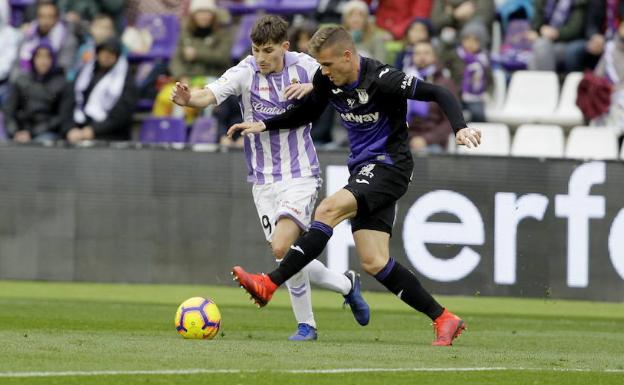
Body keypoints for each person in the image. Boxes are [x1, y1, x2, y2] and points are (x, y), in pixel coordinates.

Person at [228, 25, 481, 346]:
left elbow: (439, 93)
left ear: (347, 56)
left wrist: (460, 128)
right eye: (320, 65)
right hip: (364, 169)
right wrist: (264, 123)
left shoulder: (383, 78)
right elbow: (306, 112)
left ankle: (269, 284)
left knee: (327, 209)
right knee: (374, 261)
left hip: (391, 166)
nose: (323, 71)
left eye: (328, 65)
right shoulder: (326, 79)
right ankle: (445, 319)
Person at [171, 15, 370, 341]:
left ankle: (307, 326)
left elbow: (342, 78)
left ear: (284, 47)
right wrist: (189, 99)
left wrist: (314, 86)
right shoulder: (245, 71)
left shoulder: (306, 65)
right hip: (262, 180)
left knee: (282, 246)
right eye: (256, 50)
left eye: (267, 51)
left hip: (300, 173)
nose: (261, 57)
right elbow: (210, 93)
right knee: (286, 254)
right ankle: (346, 284)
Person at [63, 37, 136, 142]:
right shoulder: (84, 74)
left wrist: (94, 130)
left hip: (110, 134)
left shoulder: (126, 80)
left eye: (111, 53)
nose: (106, 56)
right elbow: (69, 102)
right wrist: (69, 128)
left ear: (117, 56)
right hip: (79, 127)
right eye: (103, 51)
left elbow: (121, 114)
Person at [3, 42, 71, 142]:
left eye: (47, 57)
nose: (43, 61)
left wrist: (32, 133)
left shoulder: (62, 83)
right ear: (33, 59)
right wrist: (14, 131)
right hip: (20, 131)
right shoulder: (21, 81)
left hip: (46, 132)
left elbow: (60, 117)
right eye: (39, 56)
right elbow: (9, 111)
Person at [404, 41, 458, 152]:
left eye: (426, 53)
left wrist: (426, 140)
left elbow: (450, 122)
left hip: (433, 142)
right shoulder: (404, 81)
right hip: (405, 139)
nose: (422, 57)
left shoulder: (445, 83)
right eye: (417, 53)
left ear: (434, 56)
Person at [19, 1, 78, 74]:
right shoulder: (28, 35)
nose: (46, 21)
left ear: (57, 19)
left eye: (50, 17)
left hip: (53, 81)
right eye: (42, 16)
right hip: (27, 78)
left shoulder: (68, 40)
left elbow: (64, 69)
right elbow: (17, 64)